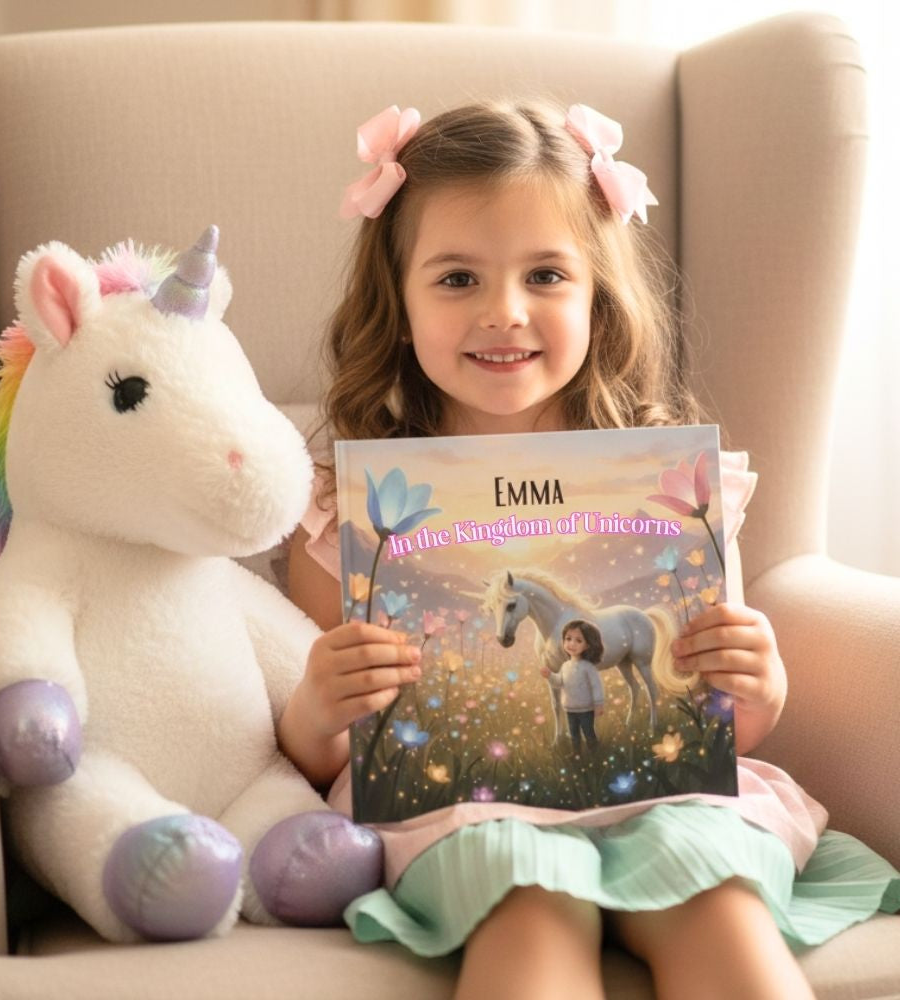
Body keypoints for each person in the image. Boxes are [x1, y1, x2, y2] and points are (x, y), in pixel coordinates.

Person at [277, 100, 899, 1000]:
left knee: (719, 902)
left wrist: (759, 687)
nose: (504, 312)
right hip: (469, 816)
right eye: (457, 278)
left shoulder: (673, 487)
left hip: (667, 802)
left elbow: (710, 719)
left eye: (545, 275)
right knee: (528, 908)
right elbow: (327, 754)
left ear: (597, 299)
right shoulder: (346, 513)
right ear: (399, 303)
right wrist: (315, 709)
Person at [557, 619, 605, 751]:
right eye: (568, 639)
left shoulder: (588, 667)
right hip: (570, 708)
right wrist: (549, 676)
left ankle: (594, 752)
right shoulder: (565, 666)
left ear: (588, 645)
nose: (572, 644)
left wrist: (599, 704)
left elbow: (596, 686)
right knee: (573, 734)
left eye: (578, 641)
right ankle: (576, 753)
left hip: (585, 709)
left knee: (588, 732)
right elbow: (559, 681)